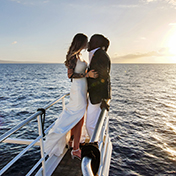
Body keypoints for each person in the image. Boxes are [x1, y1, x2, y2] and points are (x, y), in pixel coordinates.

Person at [45, 33, 98, 159]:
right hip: (77, 90)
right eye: (86, 41)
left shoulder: (79, 55)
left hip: (82, 89)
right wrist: (87, 75)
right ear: (81, 42)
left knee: (78, 118)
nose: (87, 44)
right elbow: (70, 75)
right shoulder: (73, 57)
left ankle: (72, 142)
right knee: (79, 118)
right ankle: (75, 149)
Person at [86, 34, 111, 138]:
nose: (88, 43)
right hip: (95, 95)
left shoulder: (100, 55)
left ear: (96, 43)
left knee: (90, 126)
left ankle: (97, 147)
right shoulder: (98, 54)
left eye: (91, 41)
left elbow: (104, 78)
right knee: (92, 124)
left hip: (97, 96)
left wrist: (105, 99)